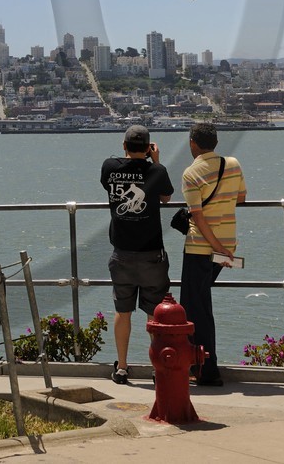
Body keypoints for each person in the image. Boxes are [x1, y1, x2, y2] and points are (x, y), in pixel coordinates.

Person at [100, 124, 174, 384]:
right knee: (155, 314)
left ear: (124, 146)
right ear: (148, 148)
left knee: (123, 311)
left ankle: (122, 367)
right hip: (152, 254)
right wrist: (156, 161)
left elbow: (107, 183)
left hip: (121, 253)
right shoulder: (157, 170)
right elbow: (165, 197)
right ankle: (158, 369)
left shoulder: (110, 167)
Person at [179, 122, 246, 387]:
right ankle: (199, 364)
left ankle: (206, 369)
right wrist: (222, 247)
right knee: (201, 305)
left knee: (196, 310)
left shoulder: (191, 173)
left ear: (192, 143)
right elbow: (241, 197)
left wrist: (216, 246)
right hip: (228, 244)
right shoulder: (233, 164)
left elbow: (197, 216)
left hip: (201, 247)